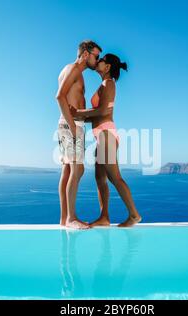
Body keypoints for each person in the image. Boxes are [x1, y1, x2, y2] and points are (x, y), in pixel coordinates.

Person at [71, 54, 142, 227]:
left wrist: (78, 113)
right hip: (100, 134)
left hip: (106, 134)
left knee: (114, 177)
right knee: (100, 178)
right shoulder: (104, 84)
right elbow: (97, 115)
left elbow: (102, 111)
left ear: (108, 66)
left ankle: (134, 215)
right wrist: (74, 117)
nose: (98, 62)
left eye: (101, 60)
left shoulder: (109, 83)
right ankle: (104, 217)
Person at [55, 40, 102, 229]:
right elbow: (59, 96)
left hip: (71, 124)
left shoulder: (73, 71)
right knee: (77, 170)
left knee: (67, 170)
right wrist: (73, 127)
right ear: (85, 54)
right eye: (95, 56)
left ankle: (64, 218)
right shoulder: (74, 69)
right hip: (71, 125)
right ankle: (71, 218)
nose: (96, 60)